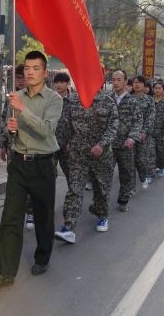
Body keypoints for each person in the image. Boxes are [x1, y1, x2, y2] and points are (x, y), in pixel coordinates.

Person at [0, 51, 63, 288]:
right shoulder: (15, 97)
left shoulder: (53, 99)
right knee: (10, 216)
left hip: (43, 163)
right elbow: (13, 131)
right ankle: (5, 271)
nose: (30, 72)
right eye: (27, 68)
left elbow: (46, 130)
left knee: (43, 215)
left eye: (36, 68)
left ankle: (42, 257)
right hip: (19, 163)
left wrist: (22, 110)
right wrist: (12, 130)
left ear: (45, 73)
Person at [54, 90, 119, 243]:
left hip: (101, 155)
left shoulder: (108, 102)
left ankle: (103, 215)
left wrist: (102, 145)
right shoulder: (74, 101)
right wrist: (70, 141)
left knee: (101, 188)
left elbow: (113, 127)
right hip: (79, 154)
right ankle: (69, 228)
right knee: (75, 190)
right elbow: (68, 124)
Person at [0, 64, 36, 230]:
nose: (21, 81)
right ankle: (16, 211)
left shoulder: (34, 99)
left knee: (31, 181)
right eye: (18, 78)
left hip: (30, 148)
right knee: (15, 181)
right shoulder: (12, 97)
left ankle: (31, 211)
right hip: (13, 147)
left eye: (23, 77)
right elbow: (3, 123)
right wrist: (2, 144)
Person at [110, 70, 143, 212]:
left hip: (125, 144)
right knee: (104, 174)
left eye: (119, 80)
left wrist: (132, 138)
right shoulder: (107, 100)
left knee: (126, 173)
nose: (116, 83)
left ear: (125, 82)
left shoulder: (133, 101)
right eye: (113, 80)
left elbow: (138, 121)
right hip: (109, 145)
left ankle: (123, 200)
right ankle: (101, 202)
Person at [132, 75, 156, 187]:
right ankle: (130, 188)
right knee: (129, 163)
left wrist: (145, 132)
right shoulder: (128, 98)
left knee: (141, 160)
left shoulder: (149, 100)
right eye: (135, 82)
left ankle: (143, 177)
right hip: (130, 135)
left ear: (144, 85)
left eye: (139, 83)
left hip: (143, 135)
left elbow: (151, 117)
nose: (137, 85)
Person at [53, 72, 71, 186]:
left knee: (71, 173)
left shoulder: (73, 102)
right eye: (57, 82)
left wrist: (71, 141)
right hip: (52, 143)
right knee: (50, 173)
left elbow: (76, 124)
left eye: (62, 82)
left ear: (68, 83)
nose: (59, 85)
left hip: (67, 144)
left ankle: (74, 200)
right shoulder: (51, 100)